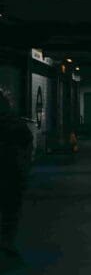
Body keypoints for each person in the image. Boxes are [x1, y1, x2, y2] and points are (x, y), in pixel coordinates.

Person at [0, 91, 34, 257]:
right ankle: (6, 241)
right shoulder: (17, 124)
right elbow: (28, 148)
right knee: (11, 210)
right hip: (14, 173)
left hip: (12, 171)